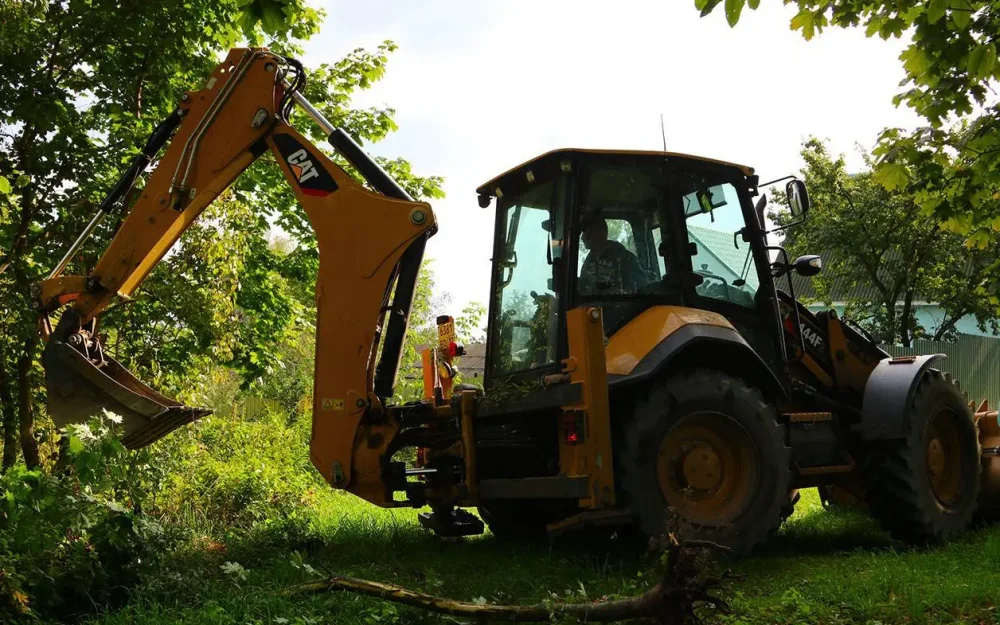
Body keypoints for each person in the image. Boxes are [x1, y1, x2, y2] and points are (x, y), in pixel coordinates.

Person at [578, 216, 648, 295]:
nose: (582, 237)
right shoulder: (589, 261)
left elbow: (641, 289)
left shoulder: (626, 259)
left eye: (585, 232)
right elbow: (582, 288)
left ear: (597, 232)